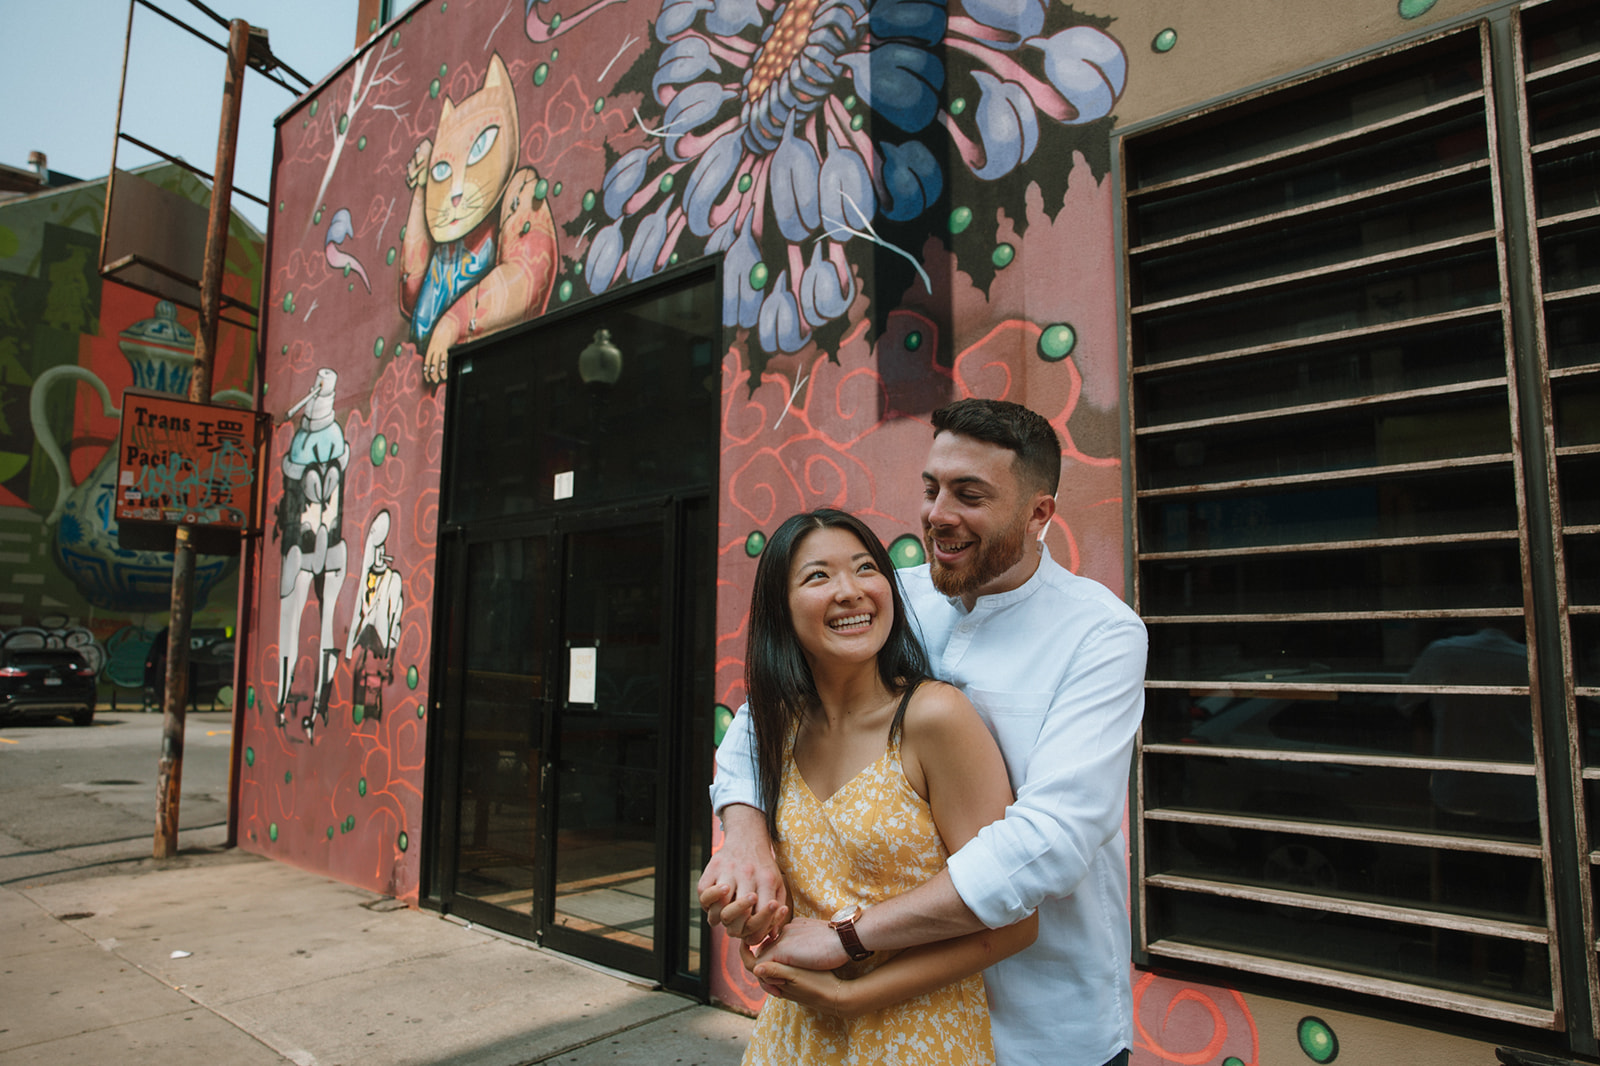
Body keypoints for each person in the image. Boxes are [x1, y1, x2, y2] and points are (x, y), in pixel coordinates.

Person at [701, 399, 1148, 1066]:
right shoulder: (892, 596)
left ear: (1038, 515)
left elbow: (1050, 842)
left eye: (969, 495)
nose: (939, 514)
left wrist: (849, 937)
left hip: (1043, 1023)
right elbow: (770, 709)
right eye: (932, 487)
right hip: (877, 1016)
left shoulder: (1100, 635)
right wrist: (745, 835)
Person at [735, 507, 1036, 1065]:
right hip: (793, 1040)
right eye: (818, 576)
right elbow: (780, 901)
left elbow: (1015, 923)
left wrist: (853, 997)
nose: (850, 591)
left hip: (918, 1040)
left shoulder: (934, 718)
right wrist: (749, 928)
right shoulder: (777, 728)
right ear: (781, 607)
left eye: (866, 567)